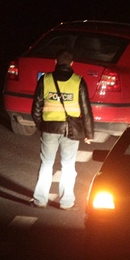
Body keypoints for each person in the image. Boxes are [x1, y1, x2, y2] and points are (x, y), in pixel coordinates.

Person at [30, 49, 94, 210]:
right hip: (71, 131)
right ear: (72, 64)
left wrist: (41, 125)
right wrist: (88, 133)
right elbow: (86, 110)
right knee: (68, 166)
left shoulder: (45, 79)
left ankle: (40, 200)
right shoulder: (78, 81)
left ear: (55, 62)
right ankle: (66, 202)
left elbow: (36, 107)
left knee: (46, 164)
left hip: (49, 129)